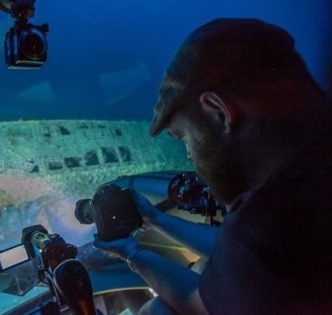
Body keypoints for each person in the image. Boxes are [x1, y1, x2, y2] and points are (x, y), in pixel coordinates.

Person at [93, 18, 332, 314]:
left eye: (184, 137)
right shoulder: (305, 179)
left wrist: (131, 253)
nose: (190, 155)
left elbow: (197, 302)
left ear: (220, 112)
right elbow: (232, 249)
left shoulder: (274, 218)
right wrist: (155, 218)